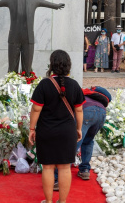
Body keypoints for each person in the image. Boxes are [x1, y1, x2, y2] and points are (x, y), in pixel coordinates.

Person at [29, 50, 84, 203]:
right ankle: (62, 201)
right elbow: (79, 109)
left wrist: (32, 128)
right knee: (65, 168)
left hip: (46, 131)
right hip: (67, 132)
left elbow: (36, 109)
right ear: (68, 65)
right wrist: (78, 129)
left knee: (47, 168)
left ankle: (48, 201)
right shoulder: (74, 85)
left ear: (52, 65)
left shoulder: (44, 84)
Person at [53, 87, 111, 186]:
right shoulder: (99, 101)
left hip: (86, 111)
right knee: (88, 140)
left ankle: (58, 178)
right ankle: (84, 169)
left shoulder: (81, 95)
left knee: (73, 143)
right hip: (102, 114)